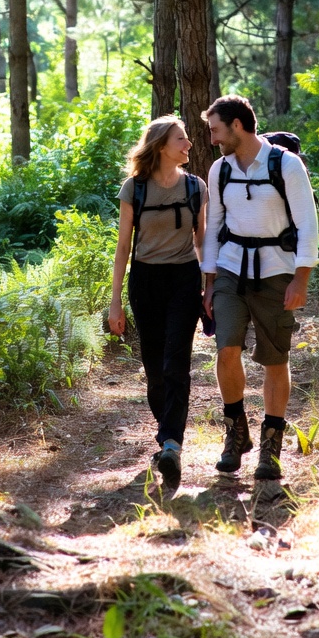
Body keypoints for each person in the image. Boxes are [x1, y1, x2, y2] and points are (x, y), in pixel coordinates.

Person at [201, 95, 319, 482]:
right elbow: (215, 226)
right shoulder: (219, 169)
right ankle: (236, 433)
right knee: (226, 348)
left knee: (274, 358)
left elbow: (307, 224)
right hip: (231, 270)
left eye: (216, 130)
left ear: (237, 125)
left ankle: (271, 446)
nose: (213, 139)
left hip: (276, 272)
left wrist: (300, 279)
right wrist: (209, 282)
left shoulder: (286, 165)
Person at [108, 116, 207, 490]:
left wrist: (208, 287)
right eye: (182, 139)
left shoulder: (196, 188)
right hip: (145, 281)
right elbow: (122, 248)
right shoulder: (134, 189)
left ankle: (170, 443)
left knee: (176, 360)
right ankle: (166, 434)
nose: (189, 144)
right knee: (153, 365)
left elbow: (203, 243)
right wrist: (115, 302)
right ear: (162, 146)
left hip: (184, 279)